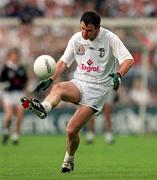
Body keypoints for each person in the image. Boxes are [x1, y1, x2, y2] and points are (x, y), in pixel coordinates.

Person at [21, 11, 134, 172]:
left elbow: (128, 59)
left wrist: (119, 75)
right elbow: (63, 62)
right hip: (79, 82)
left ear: (98, 28)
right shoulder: (76, 39)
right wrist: (51, 78)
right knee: (58, 87)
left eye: (88, 30)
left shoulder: (110, 39)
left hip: (98, 90)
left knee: (71, 130)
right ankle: (43, 108)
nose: (84, 33)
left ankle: (69, 160)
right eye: (82, 28)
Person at [0, 48, 28, 145]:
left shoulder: (21, 68)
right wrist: (5, 85)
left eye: (16, 55)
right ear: (10, 56)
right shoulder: (6, 68)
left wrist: (26, 92)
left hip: (19, 94)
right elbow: (1, 82)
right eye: (13, 55)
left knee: (20, 115)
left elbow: (25, 81)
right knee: (9, 115)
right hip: (8, 94)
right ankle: (6, 131)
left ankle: (15, 136)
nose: (15, 57)